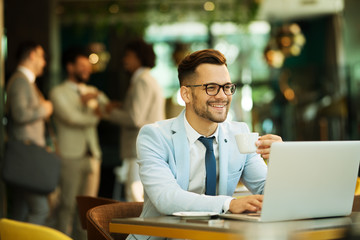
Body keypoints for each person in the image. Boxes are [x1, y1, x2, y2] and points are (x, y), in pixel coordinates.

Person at [130, 49, 282, 232]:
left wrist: (282, 161)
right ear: (186, 94)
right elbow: (166, 198)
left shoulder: (239, 134)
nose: (222, 96)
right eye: (211, 87)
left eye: (227, 87)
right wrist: (229, 203)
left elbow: (269, 193)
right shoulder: (154, 136)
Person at [49, 47, 109, 238]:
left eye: (88, 66)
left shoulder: (93, 90)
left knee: (87, 210)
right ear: (70, 67)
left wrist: (97, 99)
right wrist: (94, 114)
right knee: (66, 205)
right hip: (70, 155)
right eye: (82, 66)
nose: (87, 70)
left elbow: (107, 109)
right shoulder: (57, 92)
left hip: (93, 155)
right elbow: (72, 118)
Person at [106, 39, 165, 202]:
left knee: (135, 197)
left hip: (140, 147)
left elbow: (135, 118)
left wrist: (106, 112)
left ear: (139, 57)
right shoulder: (146, 79)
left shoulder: (142, 81)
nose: (124, 60)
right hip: (143, 147)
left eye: (128, 56)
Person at [5, 41, 53, 225]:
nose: (44, 62)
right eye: (41, 56)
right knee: (40, 209)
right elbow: (20, 114)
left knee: (20, 211)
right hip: (26, 155)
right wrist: (45, 109)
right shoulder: (20, 81)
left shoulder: (25, 82)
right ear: (32, 55)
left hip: (25, 156)